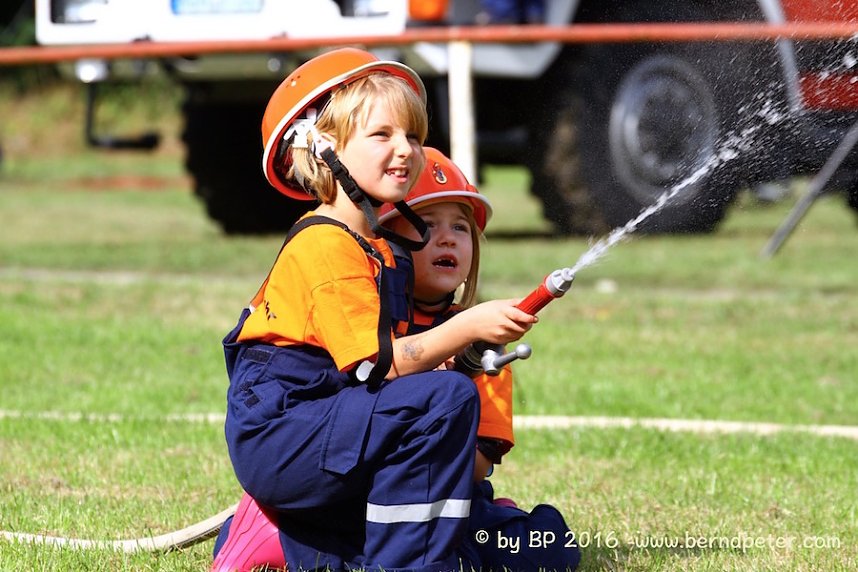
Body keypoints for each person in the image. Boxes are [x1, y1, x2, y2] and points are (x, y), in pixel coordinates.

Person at [210, 48, 537, 572]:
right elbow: (374, 366)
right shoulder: (326, 244)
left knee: (540, 545)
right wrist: (468, 328)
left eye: (412, 136)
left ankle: (346, 548)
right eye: (382, 135)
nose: (407, 150)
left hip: (327, 420)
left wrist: (467, 354)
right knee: (443, 399)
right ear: (323, 148)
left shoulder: (379, 249)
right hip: (283, 430)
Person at [379, 147, 581, 572]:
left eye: (460, 227)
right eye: (427, 225)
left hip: (455, 500)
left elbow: (476, 465)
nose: (448, 237)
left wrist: (445, 409)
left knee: (546, 553)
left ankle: (512, 522)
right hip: (370, 498)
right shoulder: (368, 324)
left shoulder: (486, 341)